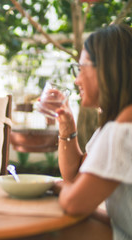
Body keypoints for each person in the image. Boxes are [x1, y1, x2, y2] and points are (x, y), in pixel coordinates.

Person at [54, 24, 132, 240]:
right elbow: (76, 173)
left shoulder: (125, 126)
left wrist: (55, 186)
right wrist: (67, 127)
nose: (76, 79)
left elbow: (73, 202)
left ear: (106, 68)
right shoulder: (115, 122)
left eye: (81, 68)